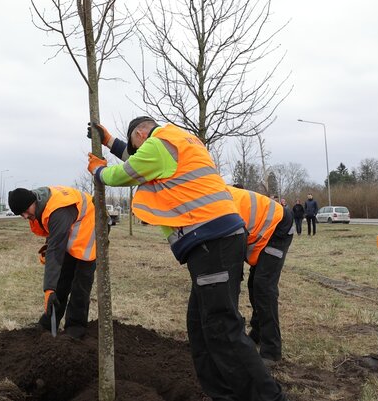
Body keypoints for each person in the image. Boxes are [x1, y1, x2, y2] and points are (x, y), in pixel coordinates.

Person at [89, 117, 284, 401]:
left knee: (221, 326)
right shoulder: (181, 141)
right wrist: (110, 141)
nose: (136, 151)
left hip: (211, 241)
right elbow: (143, 160)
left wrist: (99, 171)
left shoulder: (160, 144)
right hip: (215, 241)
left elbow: (125, 172)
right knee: (200, 325)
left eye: (133, 144)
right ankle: (223, 394)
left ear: (141, 134)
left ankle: (268, 397)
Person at [7, 186, 97, 339]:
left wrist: (48, 289)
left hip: (91, 225)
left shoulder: (58, 209)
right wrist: (48, 248)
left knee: (81, 282)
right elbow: (54, 233)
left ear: (32, 201)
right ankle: (48, 323)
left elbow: (56, 249)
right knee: (62, 280)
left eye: (25, 210)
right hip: (73, 228)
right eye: (20, 214)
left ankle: (75, 328)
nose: (24, 216)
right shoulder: (41, 203)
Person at [228, 185, 293, 364]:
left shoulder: (220, 206)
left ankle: (272, 351)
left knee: (263, 286)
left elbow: (234, 247)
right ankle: (257, 333)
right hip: (262, 230)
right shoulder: (213, 199)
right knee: (254, 284)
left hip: (279, 226)